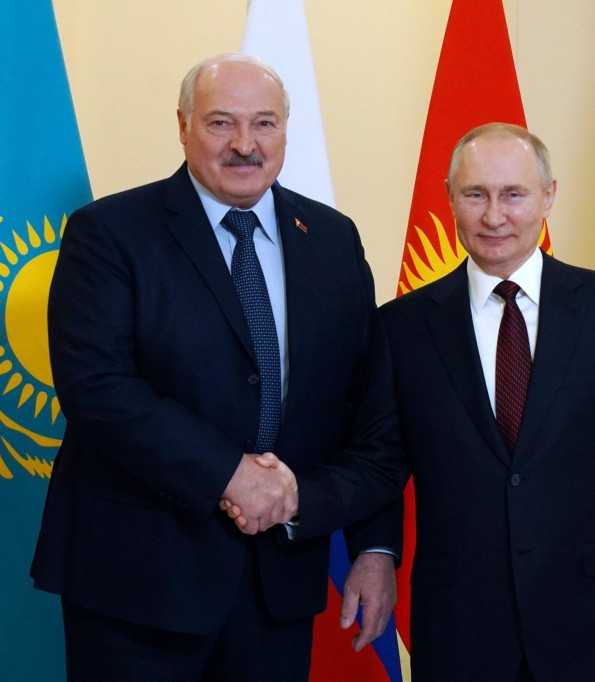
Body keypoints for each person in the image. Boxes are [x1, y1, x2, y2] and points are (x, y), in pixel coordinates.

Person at [228, 123, 595, 681]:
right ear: (449, 198)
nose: (494, 216)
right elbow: (378, 464)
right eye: (476, 195)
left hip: (593, 623)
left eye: (513, 194)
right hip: (461, 628)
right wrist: (307, 503)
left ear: (548, 195)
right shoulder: (403, 327)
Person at [30, 53, 401, 681]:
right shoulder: (110, 232)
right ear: (182, 126)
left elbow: (369, 410)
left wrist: (372, 545)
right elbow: (97, 389)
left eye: (264, 124)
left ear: (287, 129)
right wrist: (229, 474)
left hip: (278, 585)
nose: (244, 146)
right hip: (139, 583)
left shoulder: (334, 239)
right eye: (221, 124)